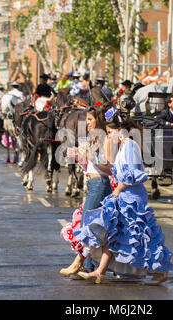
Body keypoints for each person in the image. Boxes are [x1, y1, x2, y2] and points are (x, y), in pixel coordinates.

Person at [74, 109, 173, 284]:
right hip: (124, 196)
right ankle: (100, 271)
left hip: (132, 198)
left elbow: (132, 174)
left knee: (143, 237)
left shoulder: (130, 146)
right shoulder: (124, 146)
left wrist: (117, 190)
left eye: (110, 132)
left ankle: (162, 270)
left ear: (120, 130)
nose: (109, 136)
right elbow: (117, 169)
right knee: (115, 234)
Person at [60, 106, 114, 276]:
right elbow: (92, 163)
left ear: (98, 120)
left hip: (99, 184)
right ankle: (89, 265)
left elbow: (109, 168)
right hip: (93, 184)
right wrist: (78, 154)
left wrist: (90, 156)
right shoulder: (95, 138)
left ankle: (81, 264)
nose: (87, 123)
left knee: (87, 226)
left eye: (90, 119)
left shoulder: (105, 139)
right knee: (90, 226)